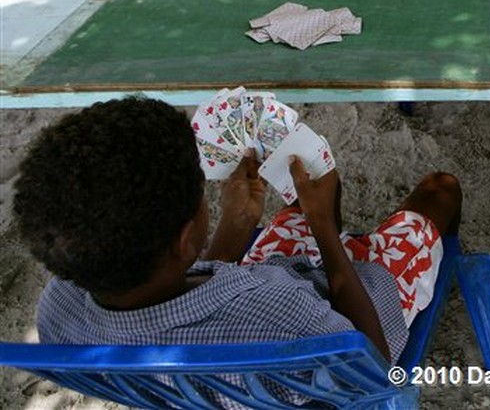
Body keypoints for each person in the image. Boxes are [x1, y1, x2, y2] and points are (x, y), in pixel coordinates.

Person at [13, 96, 461, 402]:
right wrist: (325, 230)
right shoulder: (279, 316)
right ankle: (419, 247)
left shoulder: (60, 311)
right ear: (186, 240)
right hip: (359, 306)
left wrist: (233, 227)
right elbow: (372, 368)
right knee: (440, 190)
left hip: (231, 370)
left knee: (298, 205)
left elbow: (179, 299)